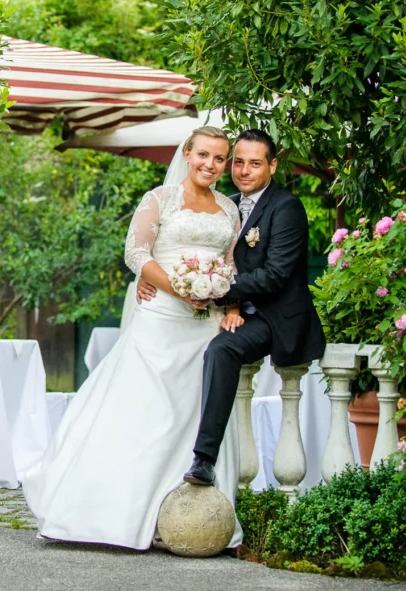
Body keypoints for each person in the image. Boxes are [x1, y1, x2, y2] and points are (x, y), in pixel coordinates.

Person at [22, 126, 244, 551]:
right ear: (188, 153)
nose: (210, 165)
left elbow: (231, 264)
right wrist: (179, 287)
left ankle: (181, 519)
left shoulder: (229, 211)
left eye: (219, 159)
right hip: (162, 316)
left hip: (205, 326)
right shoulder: (159, 199)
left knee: (192, 412)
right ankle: (113, 514)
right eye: (203, 155)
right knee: (145, 411)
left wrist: (223, 299)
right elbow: (136, 253)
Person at [137, 129, 326, 487]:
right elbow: (210, 256)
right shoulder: (226, 205)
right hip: (227, 309)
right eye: (238, 162)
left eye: (255, 164)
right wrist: (158, 278)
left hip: (273, 317)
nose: (244, 170)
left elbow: (274, 276)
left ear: (272, 166)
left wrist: (210, 291)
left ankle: (204, 460)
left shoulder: (286, 207)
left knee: (222, 350)